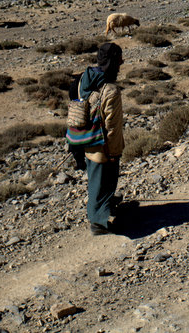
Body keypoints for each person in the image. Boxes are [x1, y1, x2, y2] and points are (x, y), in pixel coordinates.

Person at [72, 42, 125, 235]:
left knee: (96, 181)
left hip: (87, 139)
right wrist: (113, 152)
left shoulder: (85, 79)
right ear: (113, 63)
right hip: (104, 144)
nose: (121, 65)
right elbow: (112, 126)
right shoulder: (110, 90)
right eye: (120, 61)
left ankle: (104, 208)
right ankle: (99, 223)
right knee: (105, 181)